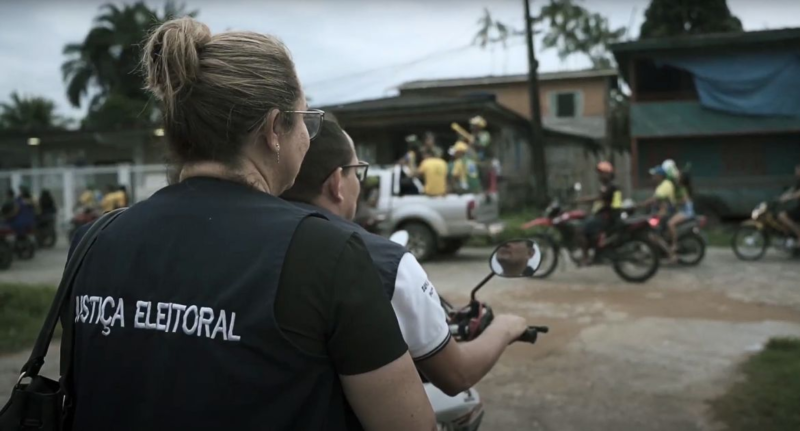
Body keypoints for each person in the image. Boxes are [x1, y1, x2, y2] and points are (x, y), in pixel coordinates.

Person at [67, 17, 435, 431]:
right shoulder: (326, 253)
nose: (308, 138)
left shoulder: (93, 242)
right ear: (274, 129)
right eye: (304, 121)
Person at [281, 118, 529, 398]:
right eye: (357, 172)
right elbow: (456, 375)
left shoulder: (239, 239)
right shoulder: (385, 262)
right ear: (337, 182)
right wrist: (505, 328)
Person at [574, 161, 622, 265]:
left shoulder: (610, 186)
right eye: (599, 173)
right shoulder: (609, 186)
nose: (600, 176)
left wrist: (581, 200)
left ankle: (585, 257)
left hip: (606, 217)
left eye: (602, 173)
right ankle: (595, 252)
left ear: (609, 174)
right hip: (606, 215)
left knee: (579, 230)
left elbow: (598, 198)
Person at [667, 169, 695, 260]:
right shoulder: (681, 187)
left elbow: (685, 200)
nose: (677, 177)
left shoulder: (682, 188)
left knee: (670, 224)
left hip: (686, 212)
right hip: (683, 210)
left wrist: (674, 202)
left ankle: (674, 245)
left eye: (679, 176)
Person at [777, 163, 800, 243]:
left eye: (797, 170)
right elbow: (792, 190)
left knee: (782, 216)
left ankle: (798, 234)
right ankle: (789, 238)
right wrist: (782, 196)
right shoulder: (798, 181)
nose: (796, 172)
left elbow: (798, 194)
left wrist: (788, 197)